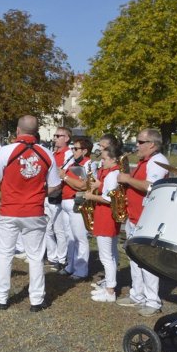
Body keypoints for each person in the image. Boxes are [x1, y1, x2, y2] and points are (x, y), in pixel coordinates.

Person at [0, 115, 61, 312]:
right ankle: (36, 300)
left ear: (18, 130)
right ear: (35, 132)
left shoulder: (6, 151)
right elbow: (55, 186)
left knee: (5, 254)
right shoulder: (46, 153)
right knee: (35, 257)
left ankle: (1, 298)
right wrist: (36, 193)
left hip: (10, 209)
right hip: (34, 211)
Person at [116, 128, 169, 317]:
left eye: (140, 142)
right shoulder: (146, 161)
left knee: (147, 261)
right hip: (135, 216)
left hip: (146, 218)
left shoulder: (157, 161)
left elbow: (151, 186)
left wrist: (127, 179)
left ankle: (152, 301)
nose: (136, 145)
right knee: (134, 259)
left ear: (152, 144)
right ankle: (137, 295)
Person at [86, 146, 122, 302]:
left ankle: (110, 291)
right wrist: (99, 186)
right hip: (108, 217)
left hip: (105, 217)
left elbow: (108, 199)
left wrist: (90, 196)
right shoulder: (114, 174)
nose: (102, 161)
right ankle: (109, 285)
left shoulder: (112, 175)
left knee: (106, 256)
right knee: (111, 254)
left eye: (105, 158)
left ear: (113, 159)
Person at [58, 137, 96, 280]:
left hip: (77, 202)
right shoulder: (73, 163)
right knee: (70, 237)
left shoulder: (89, 164)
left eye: (76, 149)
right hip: (66, 202)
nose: (72, 151)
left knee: (80, 237)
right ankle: (70, 266)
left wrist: (65, 177)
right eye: (73, 148)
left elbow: (83, 186)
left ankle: (81, 270)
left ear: (84, 151)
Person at [45, 126, 73, 271]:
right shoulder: (53, 153)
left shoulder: (69, 154)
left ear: (67, 138)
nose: (55, 138)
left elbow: (63, 173)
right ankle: (52, 256)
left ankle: (62, 259)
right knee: (47, 228)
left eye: (58, 135)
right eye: (55, 135)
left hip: (58, 195)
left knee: (59, 230)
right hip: (48, 193)